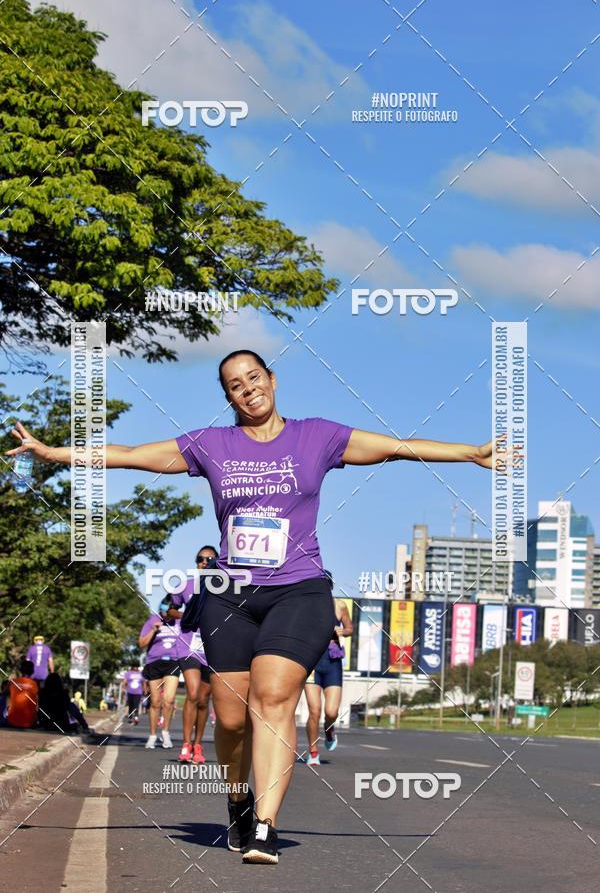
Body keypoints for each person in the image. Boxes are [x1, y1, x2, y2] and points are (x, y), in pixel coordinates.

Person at [8, 348, 494, 864]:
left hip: (300, 589)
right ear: (228, 397)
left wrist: (470, 453)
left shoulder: (317, 436)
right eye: (236, 385)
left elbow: (395, 447)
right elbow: (130, 453)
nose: (248, 389)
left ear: (272, 380)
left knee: (275, 698)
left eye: (254, 378)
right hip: (230, 595)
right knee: (232, 719)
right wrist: (54, 453)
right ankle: (237, 797)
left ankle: (265, 825)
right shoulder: (211, 446)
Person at [167, 546, 216, 764]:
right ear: (196, 562)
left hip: (212, 647)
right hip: (188, 645)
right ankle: (186, 744)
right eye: (200, 559)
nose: (204, 562)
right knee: (193, 693)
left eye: (210, 559)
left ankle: (198, 745)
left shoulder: (223, 588)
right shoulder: (186, 585)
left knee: (205, 700)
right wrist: (186, 614)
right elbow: (169, 609)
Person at [304, 577, 353, 766]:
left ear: (330, 586)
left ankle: (329, 729)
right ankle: (313, 752)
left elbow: (349, 628)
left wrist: (341, 631)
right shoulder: (306, 606)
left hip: (332, 663)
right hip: (312, 663)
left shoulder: (339, 605)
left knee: (331, 711)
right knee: (314, 711)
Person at [138, 603, 180, 749]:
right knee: (155, 702)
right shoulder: (152, 620)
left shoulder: (179, 621)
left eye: (168, 612)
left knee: (168, 700)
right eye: (162, 611)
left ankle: (166, 733)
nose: (165, 615)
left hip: (173, 662)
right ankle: (153, 735)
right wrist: (153, 631)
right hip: (154, 663)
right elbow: (141, 643)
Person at [6, 659, 38, 729]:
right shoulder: (35, 684)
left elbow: (4, 695)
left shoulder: (12, 682)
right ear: (32, 671)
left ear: (20, 670)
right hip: (30, 722)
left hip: (12, 721)